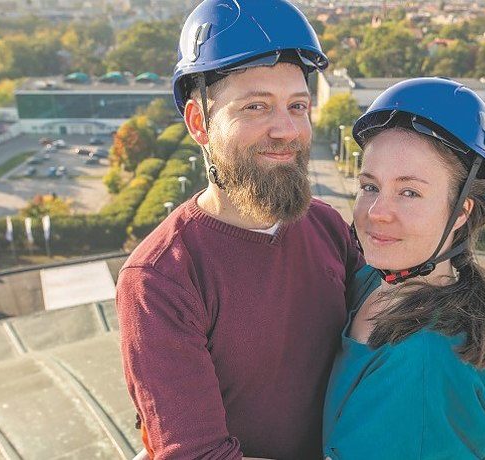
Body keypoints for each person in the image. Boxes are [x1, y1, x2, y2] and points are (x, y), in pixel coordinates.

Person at [115, 1, 362, 458]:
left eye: (297, 106)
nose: (286, 130)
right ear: (199, 123)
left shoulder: (327, 226)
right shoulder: (161, 279)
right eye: (255, 107)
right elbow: (199, 455)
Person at [322, 78, 485, 459]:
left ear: (461, 211)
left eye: (409, 192)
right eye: (370, 186)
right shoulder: (374, 279)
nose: (377, 213)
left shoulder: (423, 362)